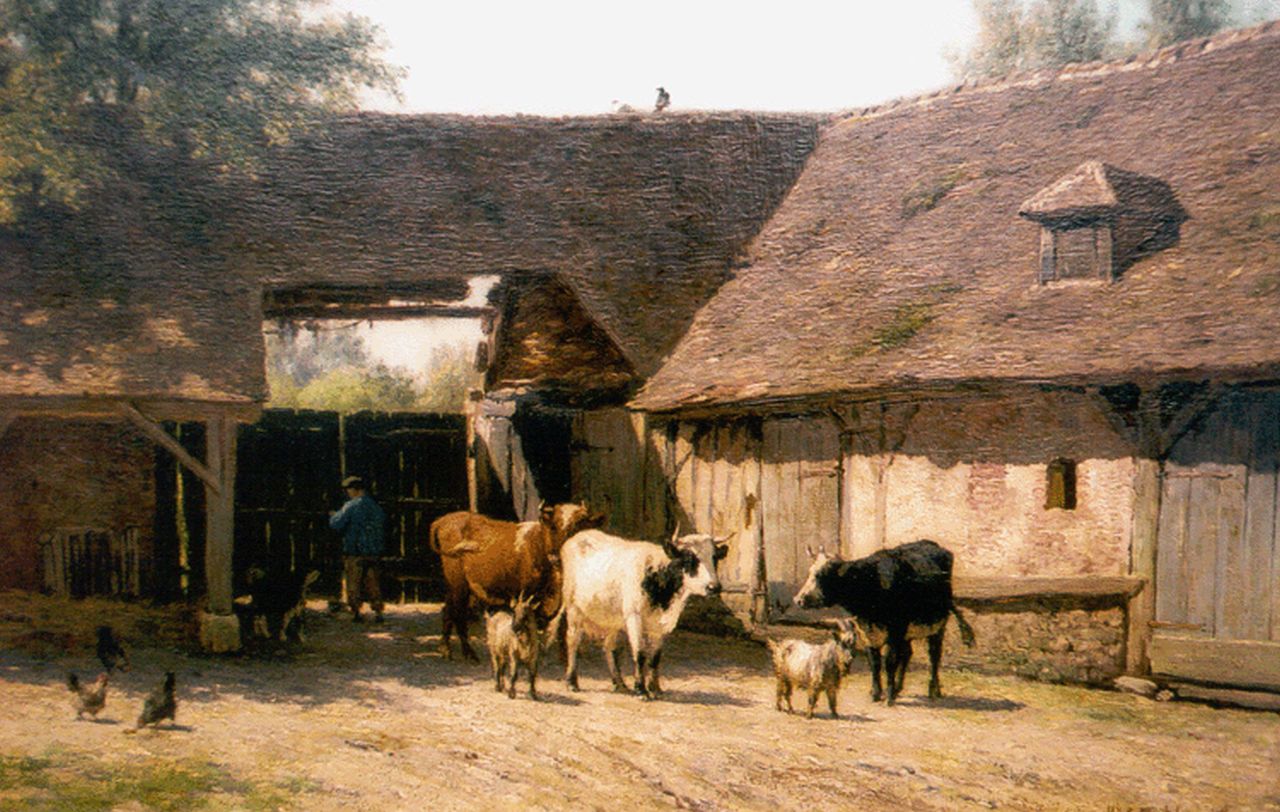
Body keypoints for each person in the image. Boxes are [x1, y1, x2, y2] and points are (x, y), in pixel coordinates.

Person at [329, 475, 387, 623]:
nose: (348, 493)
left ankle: (356, 612)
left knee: (354, 582)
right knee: (373, 582)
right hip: (373, 550)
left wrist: (333, 515)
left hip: (354, 550)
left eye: (348, 490)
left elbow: (336, 524)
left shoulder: (351, 506)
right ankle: (378, 611)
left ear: (355, 490)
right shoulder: (375, 506)